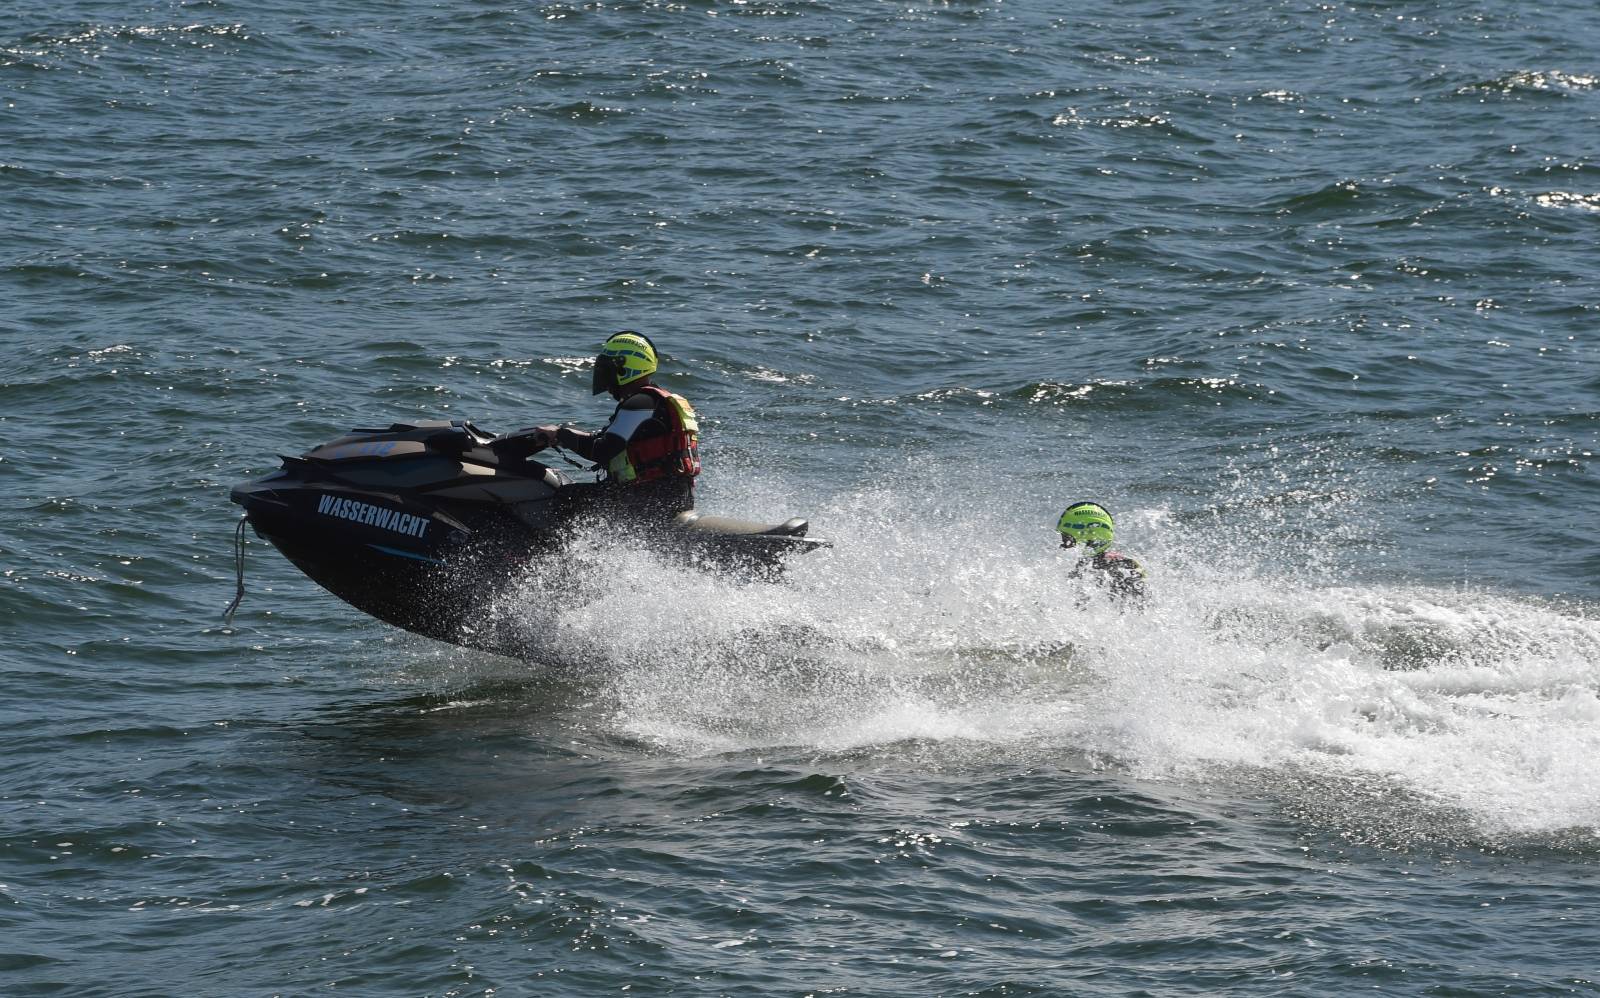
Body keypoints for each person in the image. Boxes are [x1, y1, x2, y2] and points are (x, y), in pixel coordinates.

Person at [525, 331, 701, 521]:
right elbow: (609, 440)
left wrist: (562, 436)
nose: (605, 379)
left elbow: (603, 450)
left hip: (647, 500)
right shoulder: (653, 401)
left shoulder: (640, 403)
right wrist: (561, 433)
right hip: (671, 498)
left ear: (626, 369)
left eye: (607, 371)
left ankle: (558, 550)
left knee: (567, 496)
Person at [1056, 501, 1146, 600]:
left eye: (1066, 537)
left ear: (1085, 533)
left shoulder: (1088, 569)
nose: (1062, 544)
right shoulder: (1127, 564)